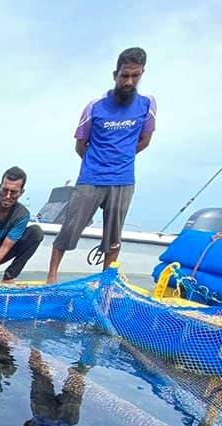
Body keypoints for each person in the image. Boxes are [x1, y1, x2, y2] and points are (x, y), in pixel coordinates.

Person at [47, 47, 156, 283]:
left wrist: (122, 157)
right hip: (91, 178)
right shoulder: (95, 106)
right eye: (124, 75)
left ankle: (105, 284)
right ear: (115, 74)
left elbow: (144, 141)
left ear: (141, 74)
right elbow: (80, 145)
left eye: (134, 76)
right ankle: (51, 278)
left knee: (113, 237)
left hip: (123, 180)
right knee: (69, 228)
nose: (128, 81)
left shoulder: (147, 105)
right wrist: (98, 161)